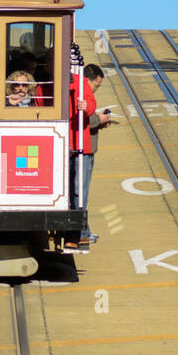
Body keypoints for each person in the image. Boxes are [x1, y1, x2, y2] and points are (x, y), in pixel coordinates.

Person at [80, 63, 120, 244]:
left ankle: (84, 230)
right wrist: (99, 119)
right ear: (88, 80)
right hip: (84, 149)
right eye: (96, 85)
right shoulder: (81, 94)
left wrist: (98, 120)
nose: (96, 89)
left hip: (88, 147)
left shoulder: (84, 94)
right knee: (82, 192)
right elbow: (81, 118)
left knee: (82, 192)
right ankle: (82, 231)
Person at [65, 69, 97, 252]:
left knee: (79, 192)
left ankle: (78, 234)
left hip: (79, 144)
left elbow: (91, 105)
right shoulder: (46, 84)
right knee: (66, 192)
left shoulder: (80, 81)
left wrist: (87, 107)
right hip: (60, 143)